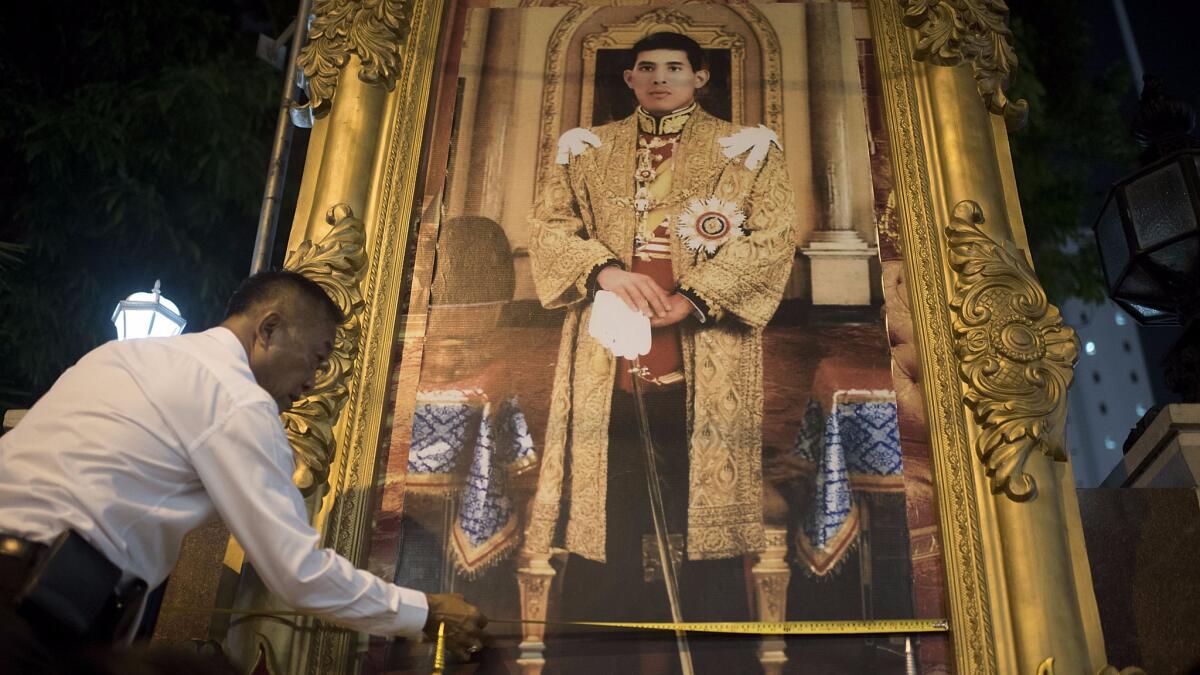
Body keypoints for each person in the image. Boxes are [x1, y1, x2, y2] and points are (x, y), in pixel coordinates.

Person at [0, 271, 487, 671]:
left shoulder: (119, 354)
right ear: (269, 329)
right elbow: (296, 572)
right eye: (316, 358)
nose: (313, 383)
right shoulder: (236, 399)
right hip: (29, 612)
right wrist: (425, 612)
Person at [521, 29, 796, 659]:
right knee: (609, 516)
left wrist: (694, 299)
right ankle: (597, 659)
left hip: (704, 344)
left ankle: (715, 656)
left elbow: (773, 235)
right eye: (646, 67)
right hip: (606, 349)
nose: (660, 77)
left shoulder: (746, 151)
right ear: (628, 79)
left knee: (705, 530)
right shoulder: (588, 149)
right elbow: (549, 225)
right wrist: (605, 272)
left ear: (700, 77)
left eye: (676, 67)